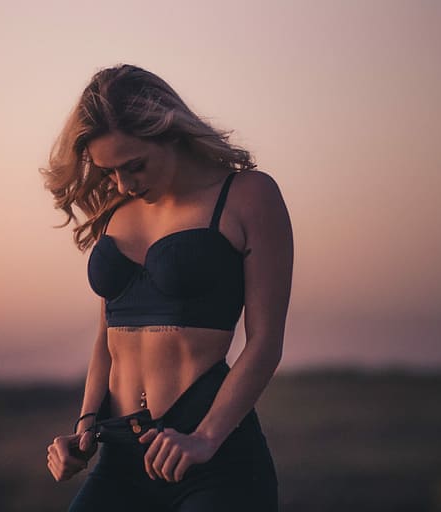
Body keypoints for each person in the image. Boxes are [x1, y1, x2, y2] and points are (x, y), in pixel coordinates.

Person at [42, 64, 293, 512]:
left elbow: (265, 343)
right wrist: (84, 428)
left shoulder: (247, 195)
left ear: (170, 132)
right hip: (118, 457)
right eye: (109, 172)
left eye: (134, 165)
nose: (123, 183)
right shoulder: (116, 210)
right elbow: (107, 342)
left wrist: (205, 437)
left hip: (210, 460)